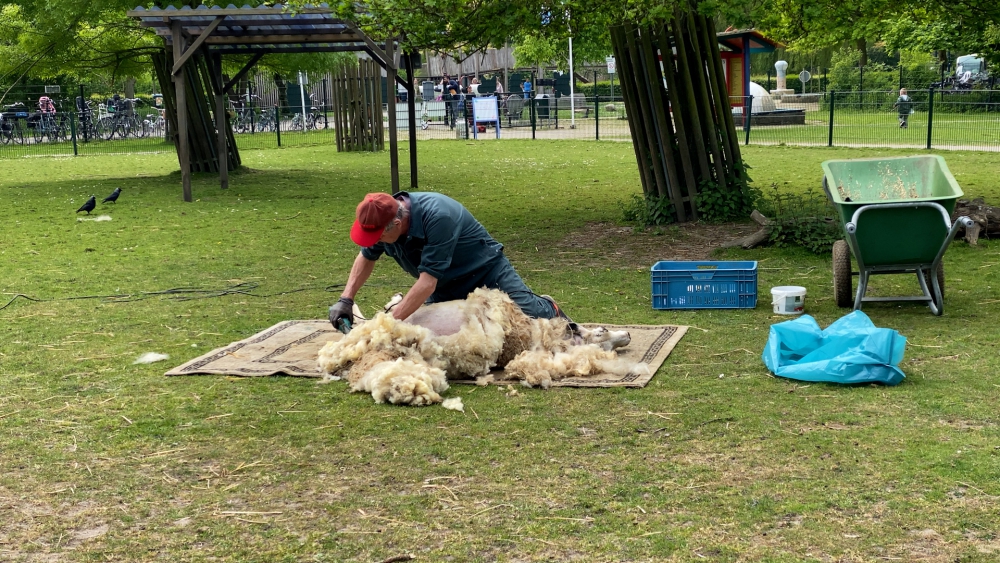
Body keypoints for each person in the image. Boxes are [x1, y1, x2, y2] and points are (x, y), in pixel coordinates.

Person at [328, 192, 568, 327]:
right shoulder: (382, 220)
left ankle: (548, 307)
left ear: (397, 225)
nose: (373, 241)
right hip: (444, 287)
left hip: (486, 272)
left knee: (530, 321)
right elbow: (366, 257)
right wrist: (346, 299)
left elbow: (426, 282)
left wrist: (385, 325)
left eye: (377, 236)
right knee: (438, 341)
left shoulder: (439, 216)